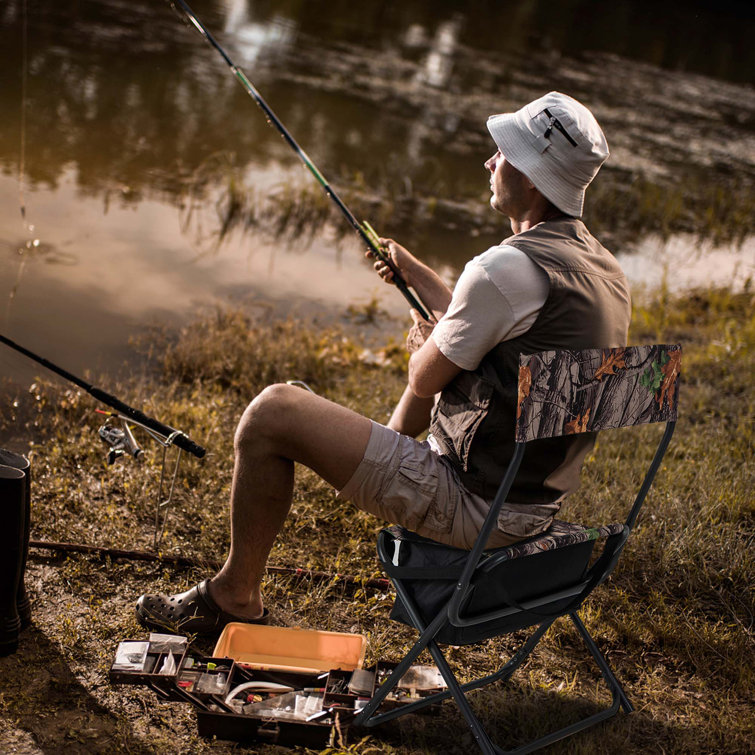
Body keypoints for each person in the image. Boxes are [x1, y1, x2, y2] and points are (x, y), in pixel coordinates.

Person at [136, 91, 631, 635]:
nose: (490, 161)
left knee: (271, 412)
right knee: (339, 395)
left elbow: (425, 375)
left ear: (534, 177)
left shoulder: (505, 269)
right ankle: (379, 444)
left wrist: (428, 343)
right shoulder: (603, 273)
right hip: (535, 504)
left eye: (504, 151)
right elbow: (490, 331)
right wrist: (414, 271)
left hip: (476, 509)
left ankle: (234, 596)